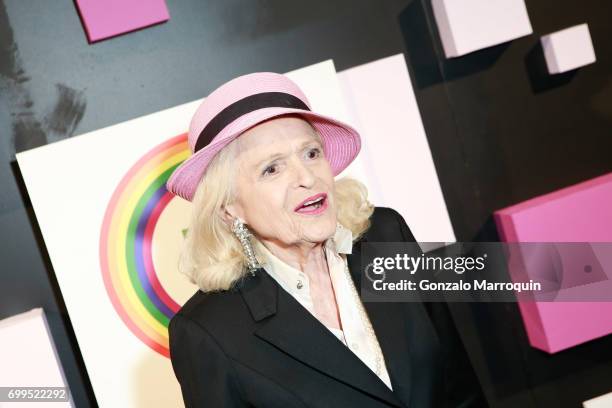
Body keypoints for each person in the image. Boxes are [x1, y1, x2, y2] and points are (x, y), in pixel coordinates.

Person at [165, 72, 487, 407]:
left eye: (311, 153)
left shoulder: (387, 235)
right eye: (271, 169)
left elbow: (460, 387)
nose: (307, 176)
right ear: (229, 208)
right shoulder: (207, 333)